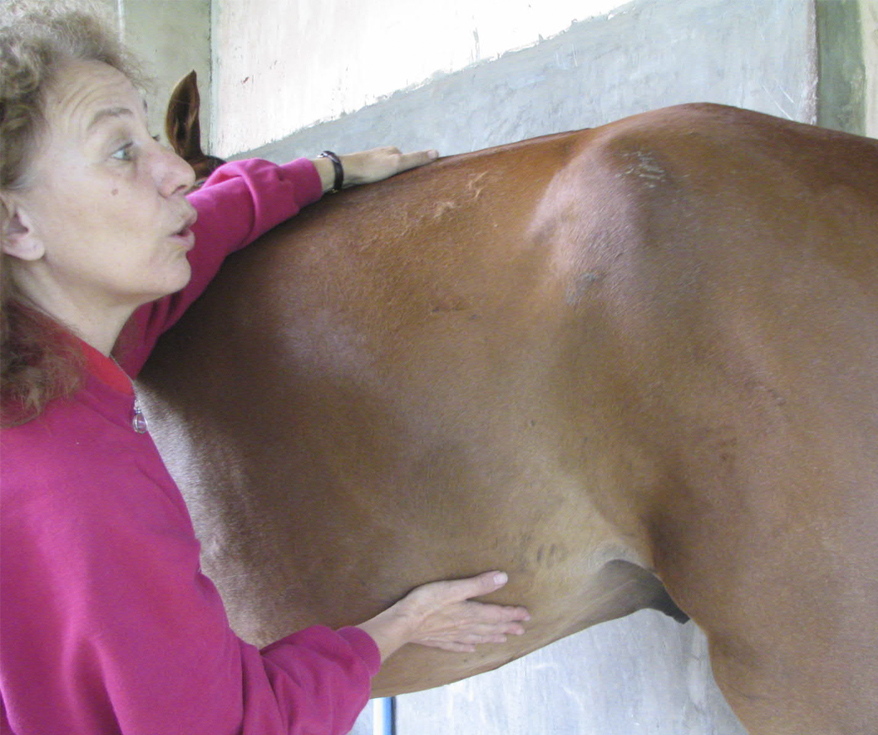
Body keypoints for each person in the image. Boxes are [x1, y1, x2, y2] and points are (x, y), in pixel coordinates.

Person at [0, 1, 530, 733]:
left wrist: (323, 172)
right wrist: (393, 629)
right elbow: (238, 724)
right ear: (16, 224)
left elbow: (205, 227)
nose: (175, 171)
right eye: (121, 152)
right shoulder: (80, 486)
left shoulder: (36, 364)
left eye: (153, 135)